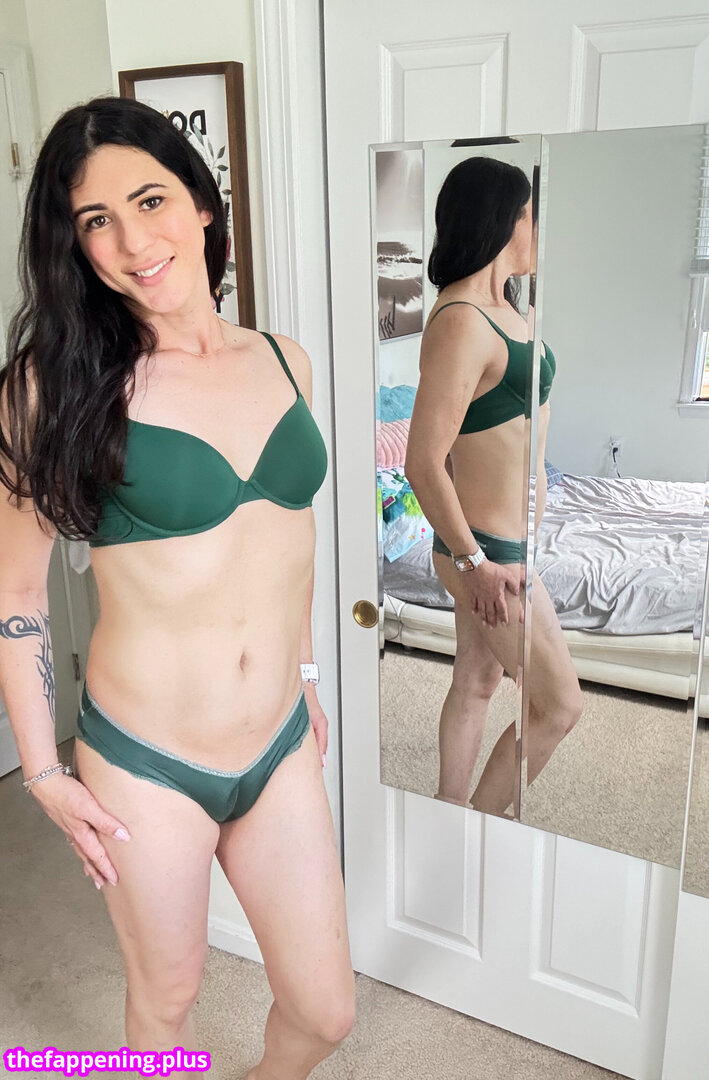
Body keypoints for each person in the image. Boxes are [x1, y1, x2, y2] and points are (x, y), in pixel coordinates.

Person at [0, 97, 354, 1079]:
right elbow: (16, 597)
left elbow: (288, 542)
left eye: (150, 200)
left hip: (278, 742)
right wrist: (42, 772)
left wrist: (306, 675)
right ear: (75, 247)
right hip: (145, 760)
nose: (131, 242)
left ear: (201, 203)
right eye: (96, 220)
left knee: (325, 1011)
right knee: (165, 1002)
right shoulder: (51, 389)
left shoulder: (284, 361)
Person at [405, 156, 583, 815]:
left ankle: (446, 813)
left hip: (509, 543)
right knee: (559, 706)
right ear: (505, 219)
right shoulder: (460, 321)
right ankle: (477, 827)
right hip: (488, 553)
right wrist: (472, 563)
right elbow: (423, 462)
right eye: (532, 215)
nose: (538, 230)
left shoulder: (505, 308)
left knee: (478, 680)